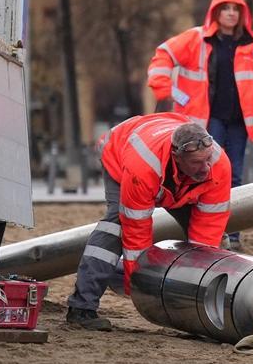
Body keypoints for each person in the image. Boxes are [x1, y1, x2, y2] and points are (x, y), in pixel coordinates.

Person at [66, 114, 232, 331]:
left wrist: (197, 285)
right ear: (177, 157)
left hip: (175, 180)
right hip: (121, 152)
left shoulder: (218, 164)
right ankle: (82, 308)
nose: (206, 169)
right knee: (115, 227)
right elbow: (136, 233)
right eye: (197, 163)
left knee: (216, 244)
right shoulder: (143, 167)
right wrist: (136, 287)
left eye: (207, 159)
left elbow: (209, 229)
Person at [147, 0, 253, 251]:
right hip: (206, 121)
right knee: (207, 173)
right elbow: (163, 55)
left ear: (242, 14)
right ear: (215, 12)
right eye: (225, 9)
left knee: (234, 177)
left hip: (239, 121)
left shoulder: (251, 43)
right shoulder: (196, 39)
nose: (230, 14)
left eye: (235, 10)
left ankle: (230, 233)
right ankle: (206, 230)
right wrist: (165, 88)